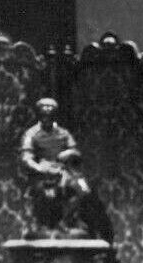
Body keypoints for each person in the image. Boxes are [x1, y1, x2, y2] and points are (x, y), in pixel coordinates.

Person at [18, 96, 91, 231]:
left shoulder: (63, 133)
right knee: (47, 193)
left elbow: (76, 151)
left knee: (83, 189)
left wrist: (68, 153)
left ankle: (67, 220)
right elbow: (26, 158)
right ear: (39, 114)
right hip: (42, 173)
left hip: (63, 170)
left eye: (50, 113)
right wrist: (39, 168)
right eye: (44, 113)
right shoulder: (31, 134)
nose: (47, 116)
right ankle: (46, 224)